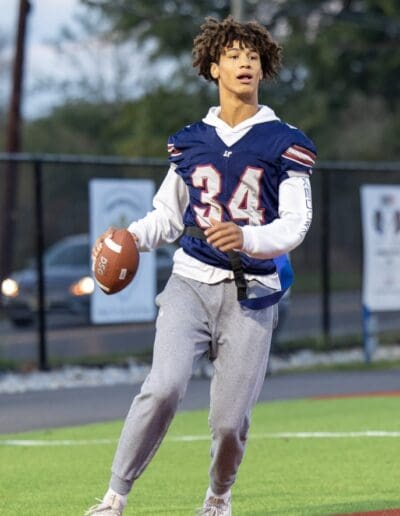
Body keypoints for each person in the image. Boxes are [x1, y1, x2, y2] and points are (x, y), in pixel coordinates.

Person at [85, 15, 316, 516]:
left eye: (253, 56)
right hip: (190, 280)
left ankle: (217, 496)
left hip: (253, 292)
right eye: (233, 55)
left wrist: (248, 237)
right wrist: (130, 237)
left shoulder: (285, 140)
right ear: (214, 67)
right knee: (163, 387)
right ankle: (113, 497)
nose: (244, 63)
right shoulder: (191, 140)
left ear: (263, 68)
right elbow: (167, 217)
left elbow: (296, 224)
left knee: (230, 422)